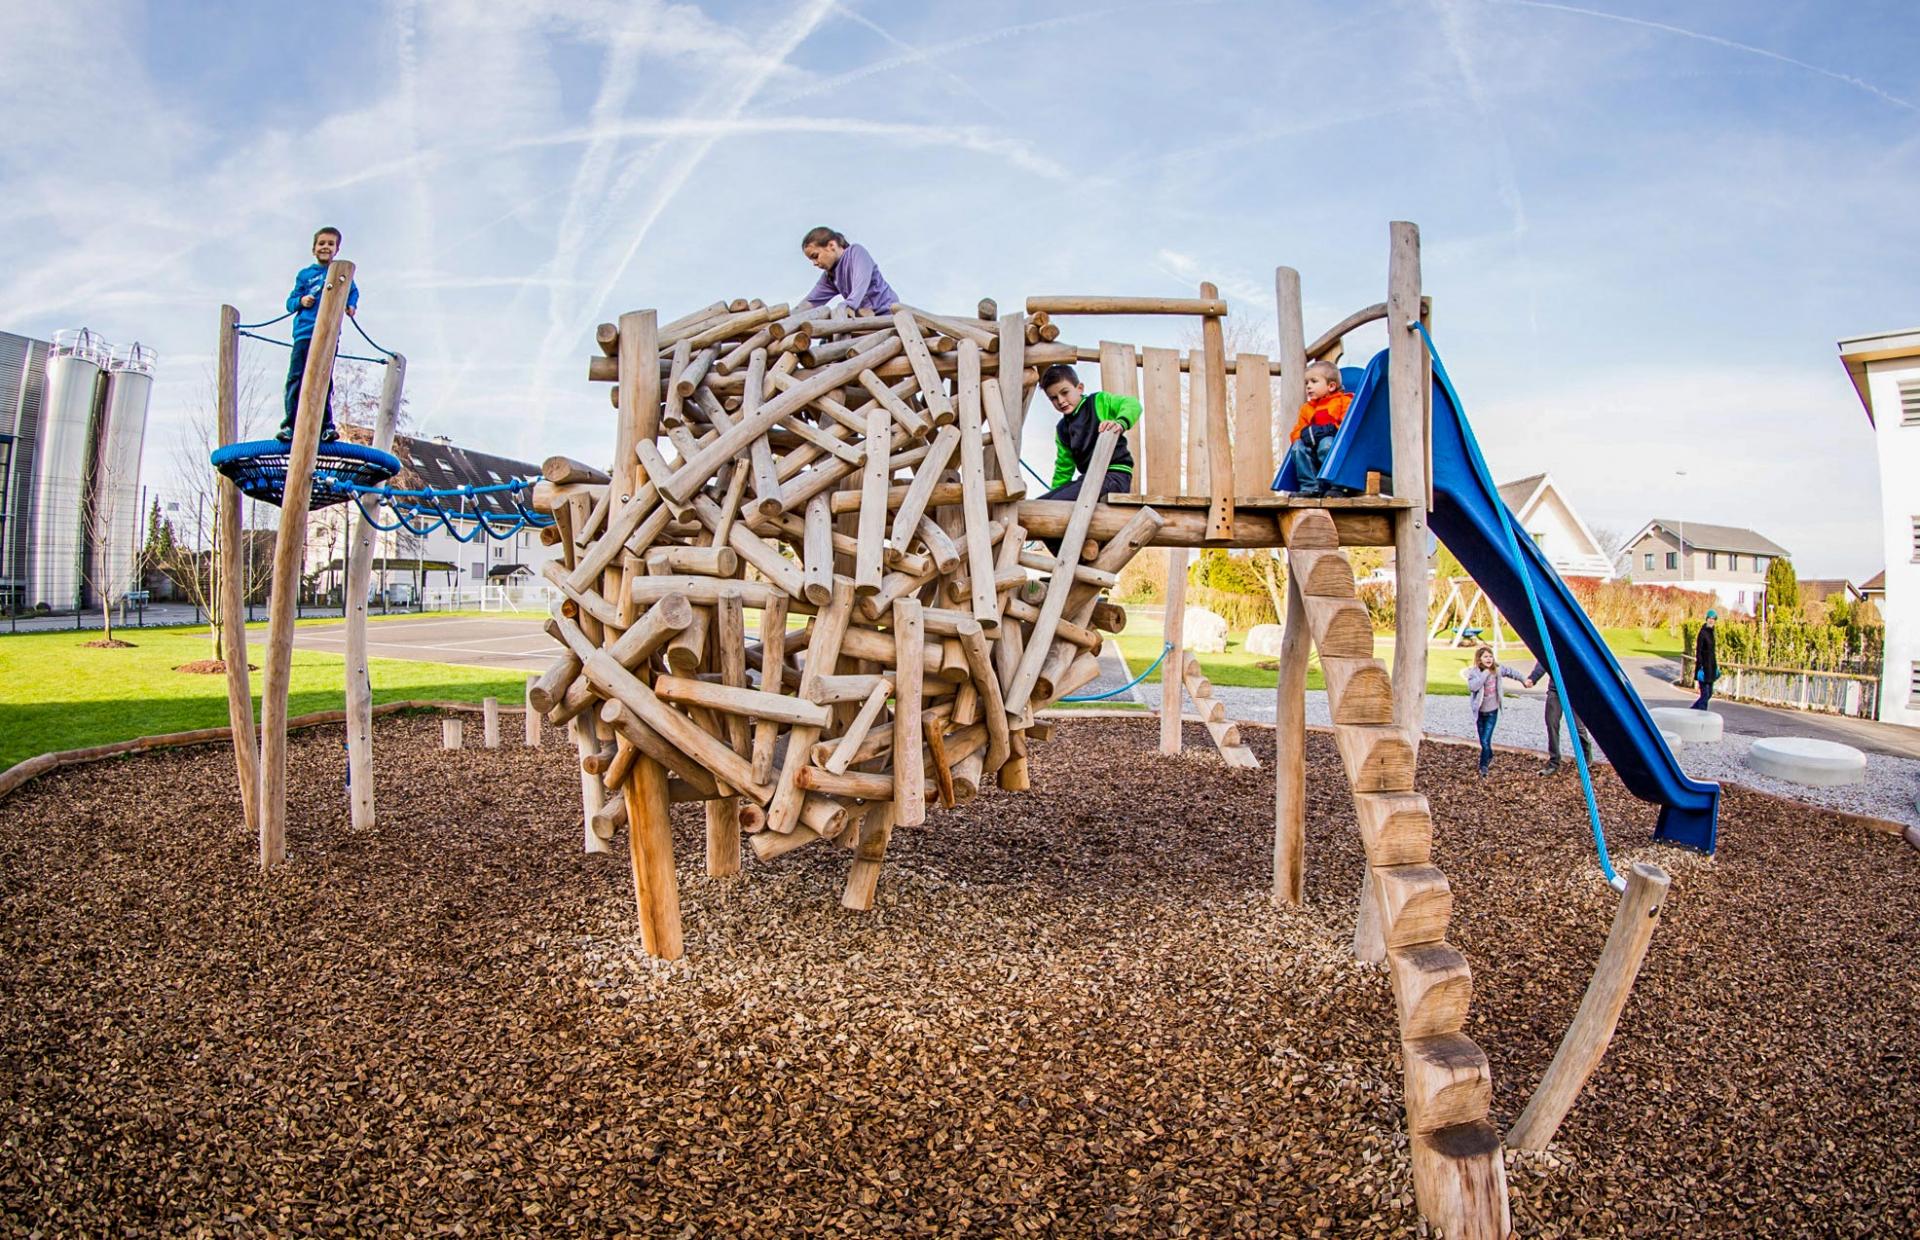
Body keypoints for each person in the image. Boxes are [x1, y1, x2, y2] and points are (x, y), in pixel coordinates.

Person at [279, 226, 359, 444]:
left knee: (324, 379)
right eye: (322, 243)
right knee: (296, 377)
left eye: (330, 244)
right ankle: (290, 425)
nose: (326, 247)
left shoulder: (340, 273)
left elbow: (353, 291)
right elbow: (290, 302)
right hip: (305, 333)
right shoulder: (305, 275)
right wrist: (301, 301)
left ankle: (326, 425)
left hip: (328, 334)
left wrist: (351, 305)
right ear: (314, 248)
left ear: (337, 249)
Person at [1039, 363, 1140, 504]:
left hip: (1114, 476)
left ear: (1079, 388)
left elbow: (1132, 404)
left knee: (1057, 501)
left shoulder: (1098, 402)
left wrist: (1120, 423)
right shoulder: (1062, 429)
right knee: (1041, 503)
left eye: (1064, 392)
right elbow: (1064, 467)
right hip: (1089, 479)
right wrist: (1056, 493)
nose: (1060, 401)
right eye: (1054, 398)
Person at [1285, 360, 1356, 498]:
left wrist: (1330, 430)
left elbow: (1348, 428)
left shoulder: (1344, 402)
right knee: (1297, 446)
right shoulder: (1307, 408)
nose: (1308, 386)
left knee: (1326, 443)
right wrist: (1303, 434)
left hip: (1335, 452)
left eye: (1314, 381)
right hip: (1313, 456)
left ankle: (1336, 485)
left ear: (1331, 386)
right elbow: (1296, 432)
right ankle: (1311, 487)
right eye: (1307, 383)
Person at [798, 227, 898, 315]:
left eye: (815, 256)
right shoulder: (830, 276)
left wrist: (848, 304)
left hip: (886, 313)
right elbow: (811, 301)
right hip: (864, 318)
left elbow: (861, 282)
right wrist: (788, 316)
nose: (815, 263)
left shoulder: (855, 252)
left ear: (831, 245)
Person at [1465, 644, 1527, 777]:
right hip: (1480, 713)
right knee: (1483, 741)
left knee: (1486, 741)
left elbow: (1511, 672)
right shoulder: (1474, 673)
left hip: (1492, 711)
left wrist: (1523, 680)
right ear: (1479, 659)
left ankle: (1483, 767)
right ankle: (1490, 755)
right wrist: (1485, 674)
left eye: (1490, 656)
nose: (1489, 659)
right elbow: (1473, 687)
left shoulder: (1497, 670)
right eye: (1485, 657)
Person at [1524, 660, 1594, 775]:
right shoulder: (1552, 646)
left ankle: (1586, 757)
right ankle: (1554, 763)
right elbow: (1543, 662)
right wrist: (1532, 678)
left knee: (1578, 728)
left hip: (1574, 691)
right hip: (1555, 691)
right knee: (1552, 724)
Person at [1692, 609, 1719, 710]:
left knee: (1709, 694)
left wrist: (1715, 666)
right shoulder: (1703, 633)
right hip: (1704, 668)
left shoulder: (1712, 632)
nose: (1711, 620)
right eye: (1710, 618)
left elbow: (1712, 652)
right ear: (1706, 619)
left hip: (1711, 668)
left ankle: (1693, 709)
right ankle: (1701, 713)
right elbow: (1699, 651)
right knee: (1705, 694)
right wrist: (1700, 666)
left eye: (1713, 619)